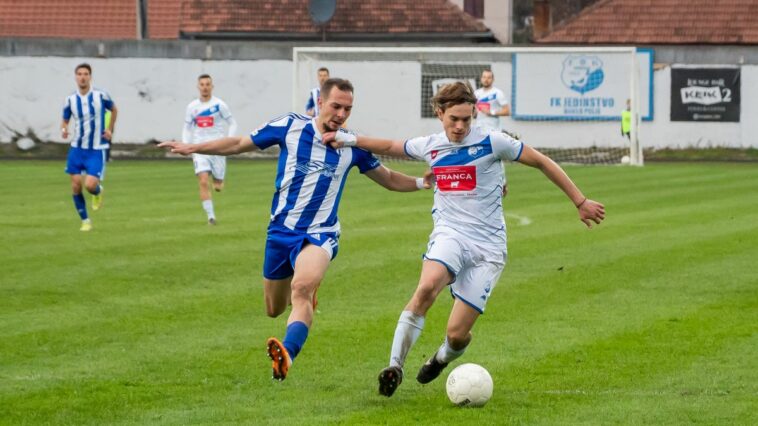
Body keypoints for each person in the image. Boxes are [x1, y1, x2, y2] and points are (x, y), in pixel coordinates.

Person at [323, 81, 605, 397]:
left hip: (488, 249)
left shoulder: (493, 141)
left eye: (466, 119)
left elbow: (541, 161)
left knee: (457, 335)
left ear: (473, 115)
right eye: (453, 119)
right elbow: (390, 145)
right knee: (426, 287)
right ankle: (394, 367)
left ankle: (441, 358)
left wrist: (580, 201)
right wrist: (349, 138)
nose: (459, 126)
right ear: (439, 113)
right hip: (450, 235)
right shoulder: (430, 145)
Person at [159, 78, 432, 381]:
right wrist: (194, 147)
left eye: (348, 109)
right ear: (320, 103)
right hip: (281, 231)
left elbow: (388, 178)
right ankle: (304, 299)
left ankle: (286, 355)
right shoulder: (289, 126)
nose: (341, 114)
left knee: (301, 289)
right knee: (274, 308)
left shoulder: (351, 145)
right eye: (336, 106)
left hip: (320, 233)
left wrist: (422, 183)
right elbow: (238, 143)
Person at [61, 63, 118, 231]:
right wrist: (64, 129)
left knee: (90, 185)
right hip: (77, 148)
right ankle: (85, 221)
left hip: (96, 148)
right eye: (79, 74)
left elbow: (114, 109)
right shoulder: (70, 99)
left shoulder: (100, 95)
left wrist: (110, 129)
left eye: (85, 74)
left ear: (90, 77)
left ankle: (97, 192)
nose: (82, 77)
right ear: (75, 77)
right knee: (75, 185)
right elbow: (65, 119)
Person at [182, 74, 238, 225]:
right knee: (203, 180)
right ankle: (211, 217)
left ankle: (218, 180)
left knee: (218, 186)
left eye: (207, 84)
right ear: (198, 87)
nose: (205, 87)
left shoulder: (219, 105)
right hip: (199, 148)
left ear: (212, 87)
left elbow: (232, 123)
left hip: (217, 148)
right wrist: (186, 144)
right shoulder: (192, 107)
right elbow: (187, 127)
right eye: (202, 84)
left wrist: (228, 140)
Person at [474, 69, 511, 196]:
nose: (486, 79)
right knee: (478, 157)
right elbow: (474, 112)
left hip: (493, 131)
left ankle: (503, 184)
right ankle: (481, 184)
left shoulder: (497, 93)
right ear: (481, 79)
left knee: (496, 156)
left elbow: (507, 111)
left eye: (489, 77)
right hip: (479, 130)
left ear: (493, 79)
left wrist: (492, 112)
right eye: (484, 77)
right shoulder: (477, 94)